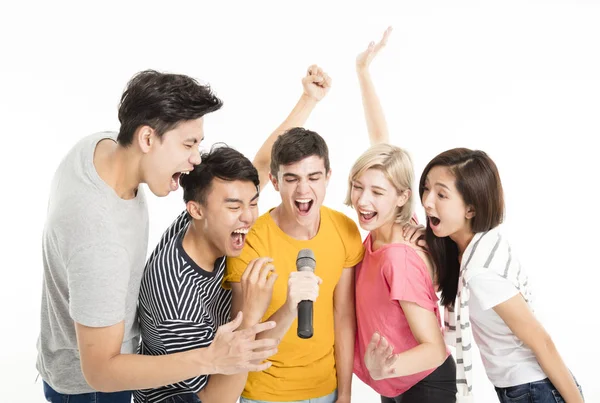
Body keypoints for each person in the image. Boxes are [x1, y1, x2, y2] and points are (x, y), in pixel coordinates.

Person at [37, 70, 276, 403]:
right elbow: (101, 371)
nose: (195, 159)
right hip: (91, 388)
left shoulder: (102, 147)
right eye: (188, 144)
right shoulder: (99, 242)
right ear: (147, 139)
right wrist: (214, 358)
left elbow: (251, 175)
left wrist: (309, 99)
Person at [135, 65, 334, 403]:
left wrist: (308, 99)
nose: (248, 217)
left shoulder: (202, 220)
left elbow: (259, 166)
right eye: (234, 207)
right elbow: (216, 399)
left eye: (253, 203)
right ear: (197, 210)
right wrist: (252, 315)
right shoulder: (178, 304)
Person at [225, 72, 363, 402]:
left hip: (326, 390)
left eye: (314, 177)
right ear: (274, 181)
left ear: (329, 177)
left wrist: (344, 393)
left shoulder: (344, 229)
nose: (304, 189)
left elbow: (343, 317)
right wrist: (289, 306)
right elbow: (244, 339)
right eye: (292, 178)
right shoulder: (250, 240)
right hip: (264, 393)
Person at [419, 148, 584, 403]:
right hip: (521, 388)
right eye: (426, 188)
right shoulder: (468, 249)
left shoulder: (481, 271)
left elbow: (542, 341)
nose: (428, 201)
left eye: (441, 194)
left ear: (471, 209)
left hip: (534, 389)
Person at [348, 27, 456, 403]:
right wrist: (363, 72)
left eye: (377, 192)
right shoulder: (384, 229)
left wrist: (385, 368)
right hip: (397, 382)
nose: (363, 198)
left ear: (401, 198)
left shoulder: (399, 255)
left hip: (421, 385)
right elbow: (382, 144)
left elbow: (434, 347)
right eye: (358, 185)